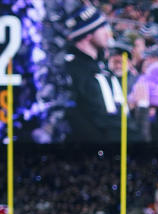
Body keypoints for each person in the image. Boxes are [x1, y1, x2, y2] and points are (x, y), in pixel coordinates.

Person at [60, 3, 126, 142]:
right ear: (88, 34)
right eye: (101, 27)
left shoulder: (103, 67)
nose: (107, 33)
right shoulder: (72, 69)